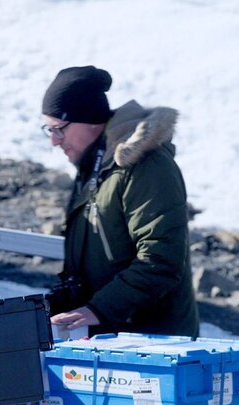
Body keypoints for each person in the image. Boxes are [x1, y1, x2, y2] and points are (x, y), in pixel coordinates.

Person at [42, 66, 199, 337]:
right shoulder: (94, 167)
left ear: (88, 120)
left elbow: (160, 259)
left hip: (156, 344)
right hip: (114, 336)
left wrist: (99, 310)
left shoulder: (145, 165)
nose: (54, 141)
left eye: (59, 129)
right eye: (48, 130)